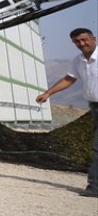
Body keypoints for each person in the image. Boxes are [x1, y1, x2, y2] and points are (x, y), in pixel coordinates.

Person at [35, 27, 97, 198]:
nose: (82, 43)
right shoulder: (78, 61)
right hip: (94, 106)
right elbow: (69, 79)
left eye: (85, 40)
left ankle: (95, 187)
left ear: (94, 38)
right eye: (77, 41)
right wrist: (48, 93)